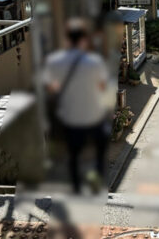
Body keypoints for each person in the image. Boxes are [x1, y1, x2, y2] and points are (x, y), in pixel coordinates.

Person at [43, 18, 110, 194]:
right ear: (83, 40)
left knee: (74, 155)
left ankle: (76, 188)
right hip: (93, 115)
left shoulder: (54, 61)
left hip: (70, 117)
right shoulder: (94, 62)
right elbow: (102, 87)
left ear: (66, 39)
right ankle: (97, 182)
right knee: (100, 150)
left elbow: (50, 87)